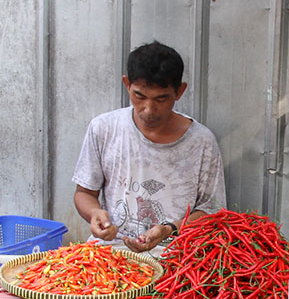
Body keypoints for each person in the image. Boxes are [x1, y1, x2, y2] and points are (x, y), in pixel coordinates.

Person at [72, 41, 226, 254]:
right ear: (127, 84)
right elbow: (84, 192)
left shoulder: (201, 142)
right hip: (110, 251)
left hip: (174, 257)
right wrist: (94, 213)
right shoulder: (104, 128)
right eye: (139, 96)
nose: (148, 109)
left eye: (161, 99)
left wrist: (170, 229)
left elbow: (212, 212)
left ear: (179, 92)